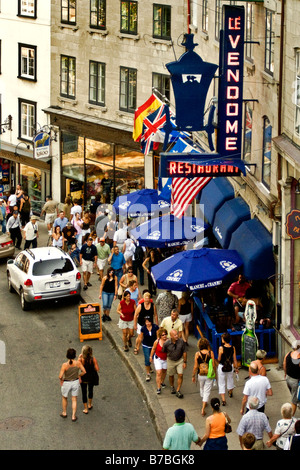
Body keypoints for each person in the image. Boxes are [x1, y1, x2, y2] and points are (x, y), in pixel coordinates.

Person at [58, 348, 86, 421]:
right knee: (74, 399)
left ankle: (64, 412)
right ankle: (73, 416)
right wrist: (79, 375)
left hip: (67, 382)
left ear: (67, 356)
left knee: (64, 397)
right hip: (75, 382)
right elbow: (84, 372)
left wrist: (61, 381)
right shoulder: (78, 363)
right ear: (74, 355)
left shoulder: (65, 365)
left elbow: (60, 376)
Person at [192, 338, 216, 416]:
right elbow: (213, 365)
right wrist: (214, 373)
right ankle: (203, 407)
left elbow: (195, 366)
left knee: (201, 387)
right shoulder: (210, 353)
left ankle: (204, 400)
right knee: (207, 390)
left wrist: (193, 376)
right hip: (209, 375)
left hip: (200, 374)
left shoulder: (197, 354)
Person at [162, 329, 187, 399]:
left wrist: (185, 362)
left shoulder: (181, 341)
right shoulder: (167, 343)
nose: (177, 336)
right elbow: (163, 351)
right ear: (171, 336)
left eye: (177, 334)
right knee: (171, 375)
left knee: (180, 374)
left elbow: (184, 352)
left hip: (179, 360)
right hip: (170, 360)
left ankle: (178, 390)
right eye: (175, 335)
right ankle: (172, 386)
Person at [217, 332, 239, 405]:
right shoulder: (233, 348)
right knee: (230, 379)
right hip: (230, 366)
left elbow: (219, 359)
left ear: (224, 340)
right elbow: (235, 359)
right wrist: (236, 367)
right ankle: (230, 392)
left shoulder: (221, 348)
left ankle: (223, 399)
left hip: (222, 366)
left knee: (221, 382)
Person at [78, 345, 99, 414]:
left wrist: (79, 358)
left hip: (83, 377)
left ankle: (85, 408)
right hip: (91, 377)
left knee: (84, 392)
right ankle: (90, 404)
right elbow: (97, 369)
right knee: (90, 390)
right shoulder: (93, 359)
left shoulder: (81, 360)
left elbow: (78, 367)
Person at [136, 317, 159, 381]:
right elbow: (140, 338)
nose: (148, 323)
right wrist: (138, 346)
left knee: (155, 358)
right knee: (147, 358)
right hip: (146, 345)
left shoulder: (155, 327)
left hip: (154, 346)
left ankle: (154, 369)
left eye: (149, 322)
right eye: (146, 322)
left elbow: (158, 336)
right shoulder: (143, 328)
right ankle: (148, 373)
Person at [283, 340, 300, 416]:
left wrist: (285, 373)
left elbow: (284, 364)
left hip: (288, 378)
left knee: (293, 393)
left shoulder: (288, 354)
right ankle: (290, 418)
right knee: (294, 400)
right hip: (295, 381)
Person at [150, 327, 168, 394]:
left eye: (165, 334)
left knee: (164, 371)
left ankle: (162, 382)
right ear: (160, 336)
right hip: (158, 359)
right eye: (163, 335)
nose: (164, 336)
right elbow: (153, 349)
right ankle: (158, 387)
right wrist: (151, 357)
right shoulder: (157, 341)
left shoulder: (169, 341)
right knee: (159, 372)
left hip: (165, 359)